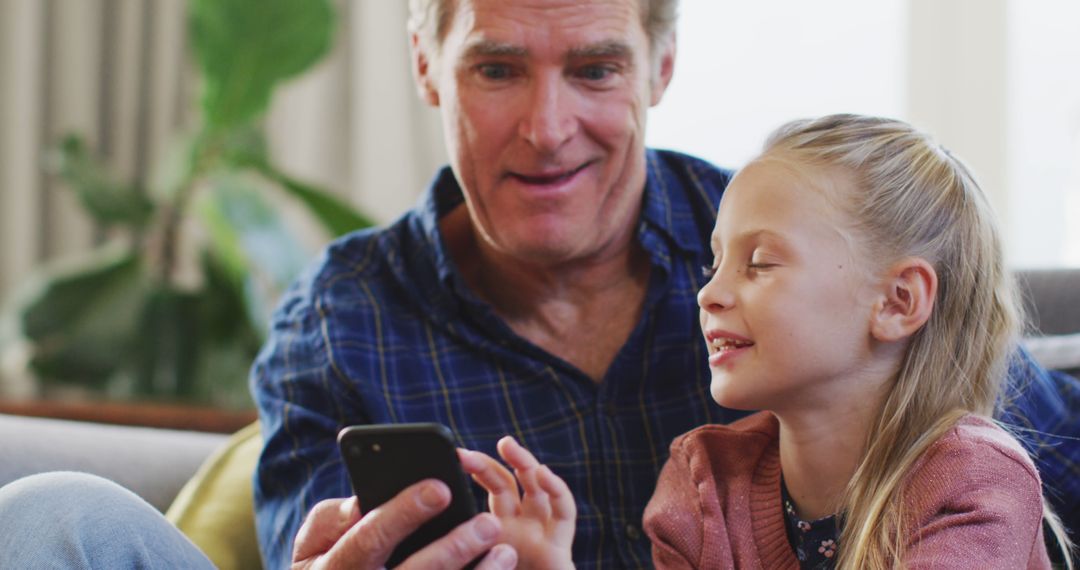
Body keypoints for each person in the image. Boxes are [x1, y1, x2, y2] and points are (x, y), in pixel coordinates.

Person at [0, 1, 1076, 569]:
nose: (548, 128)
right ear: (428, 63)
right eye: (498, 67)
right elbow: (300, 551)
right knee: (56, 519)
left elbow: (986, 411)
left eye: (596, 68)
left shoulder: (808, 253)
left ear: (659, 68)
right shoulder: (342, 319)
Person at [461, 114, 1076, 569]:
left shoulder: (971, 481)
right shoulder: (703, 482)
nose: (709, 295)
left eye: (759, 263)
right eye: (715, 264)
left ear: (897, 302)